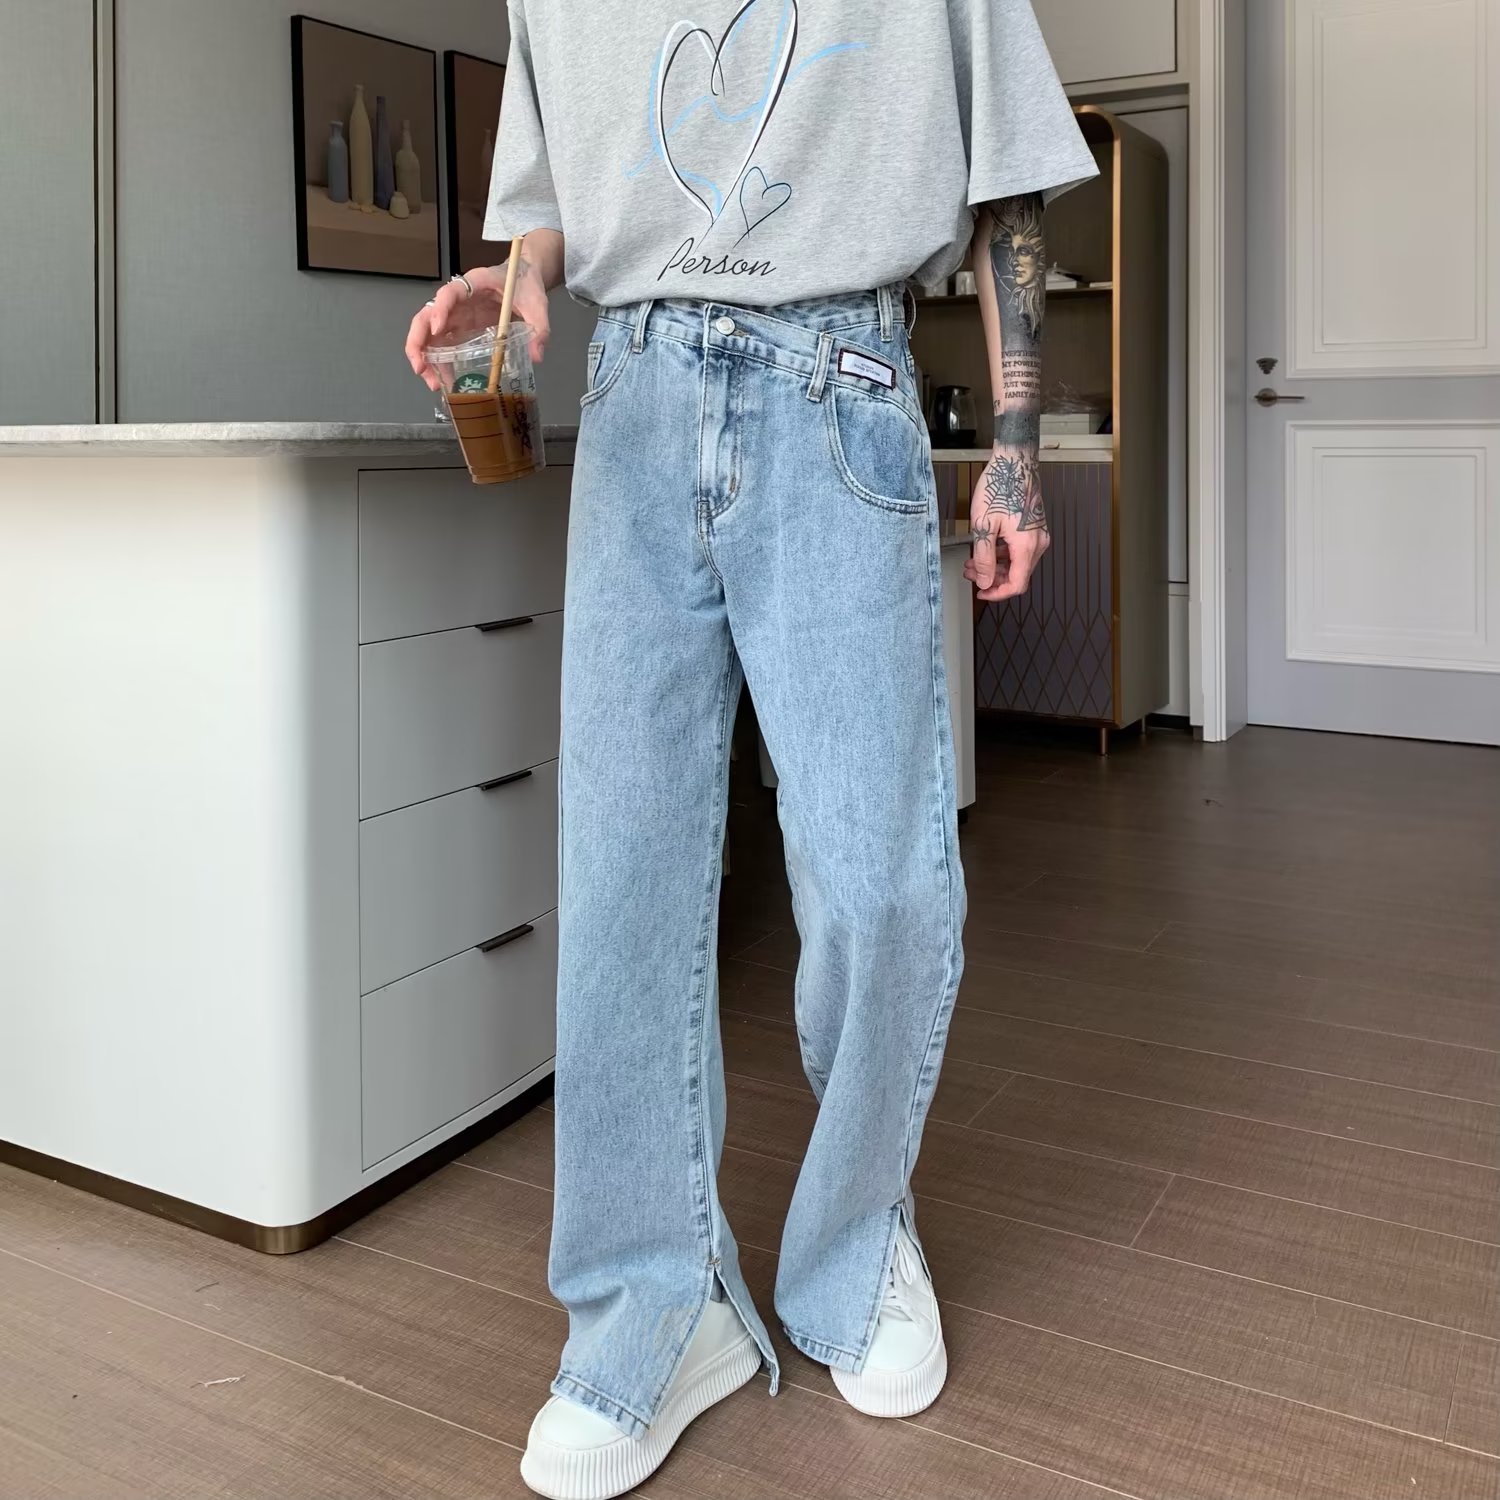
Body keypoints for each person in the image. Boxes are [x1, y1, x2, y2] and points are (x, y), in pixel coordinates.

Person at [407, 4, 1095, 1495]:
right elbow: (544, 208)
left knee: (879, 880)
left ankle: (854, 1245)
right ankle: (653, 1313)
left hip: (840, 384)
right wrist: (513, 291)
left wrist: (1018, 452)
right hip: (635, 402)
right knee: (626, 886)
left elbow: (1009, 188)